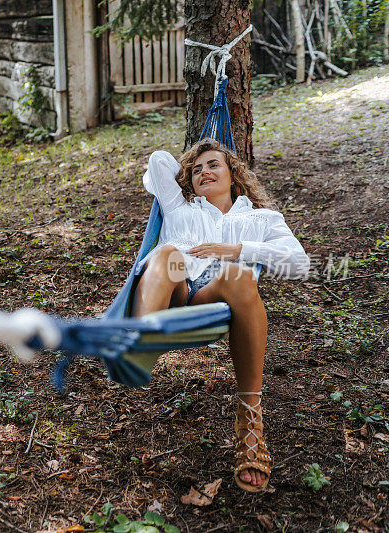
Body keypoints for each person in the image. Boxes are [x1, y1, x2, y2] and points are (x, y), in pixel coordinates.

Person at [133, 138, 310, 492]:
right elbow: (157, 161)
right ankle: (137, 343)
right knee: (167, 252)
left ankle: (250, 421)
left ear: (234, 175)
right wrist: (196, 156)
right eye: (196, 170)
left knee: (240, 274)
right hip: (173, 288)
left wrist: (238, 250)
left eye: (214, 165)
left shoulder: (262, 218)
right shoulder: (179, 206)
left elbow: (300, 265)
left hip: (215, 296)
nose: (204, 172)